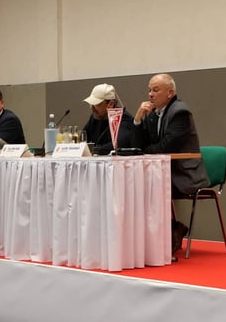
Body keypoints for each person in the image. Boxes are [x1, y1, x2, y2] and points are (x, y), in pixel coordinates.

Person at [133, 73, 209, 256]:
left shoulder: (180, 112)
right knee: (135, 186)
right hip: (165, 172)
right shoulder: (152, 114)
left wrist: (144, 151)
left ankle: (167, 232)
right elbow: (137, 146)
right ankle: (168, 231)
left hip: (184, 174)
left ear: (170, 93)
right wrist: (137, 119)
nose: (150, 94)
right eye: (149, 90)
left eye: (155, 90)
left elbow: (166, 146)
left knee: (146, 187)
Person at [82, 83, 135, 155]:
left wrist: (94, 150)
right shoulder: (95, 117)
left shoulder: (123, 119)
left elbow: (118, 144)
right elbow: (82, 138)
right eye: (91, 104)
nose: (93, 108)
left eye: (97, 104)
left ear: (111, 104)